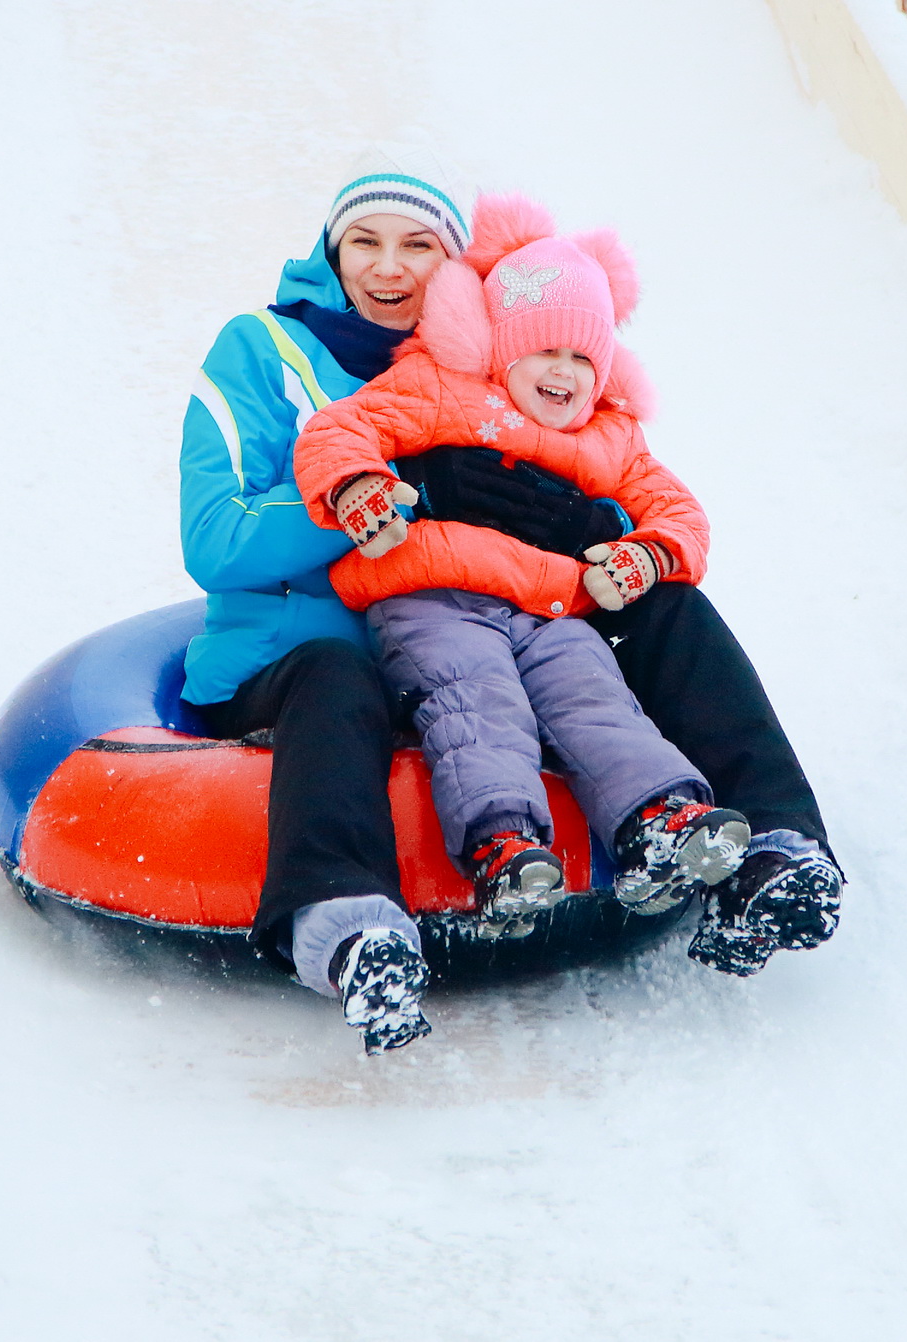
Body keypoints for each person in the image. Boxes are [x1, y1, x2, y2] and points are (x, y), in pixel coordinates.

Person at [292, 195, 761, 938]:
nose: (564, 373)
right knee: (475, 704)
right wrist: (360, 488)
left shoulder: (611, 436)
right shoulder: (443, 388)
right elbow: (341, 427)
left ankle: (657, 821)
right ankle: (502, 842)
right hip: (435, 596)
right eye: (545, 350)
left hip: (551, 609)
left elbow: (682, 515)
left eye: (583, 357)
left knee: (595, 697)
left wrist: (646, 552)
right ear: (502, 348)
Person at [178, 146, 468, 1054]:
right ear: (332, 253)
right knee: (340, 672)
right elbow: (214, 538)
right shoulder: (259, 349)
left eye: (418, 246)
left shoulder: (485, 368)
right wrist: (357, 502)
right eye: (365, 243)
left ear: (454, 266)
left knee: (614, 639)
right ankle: (349, 934)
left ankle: (744, 837)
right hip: (288, 663)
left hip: (447, 657)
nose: (388, 268)